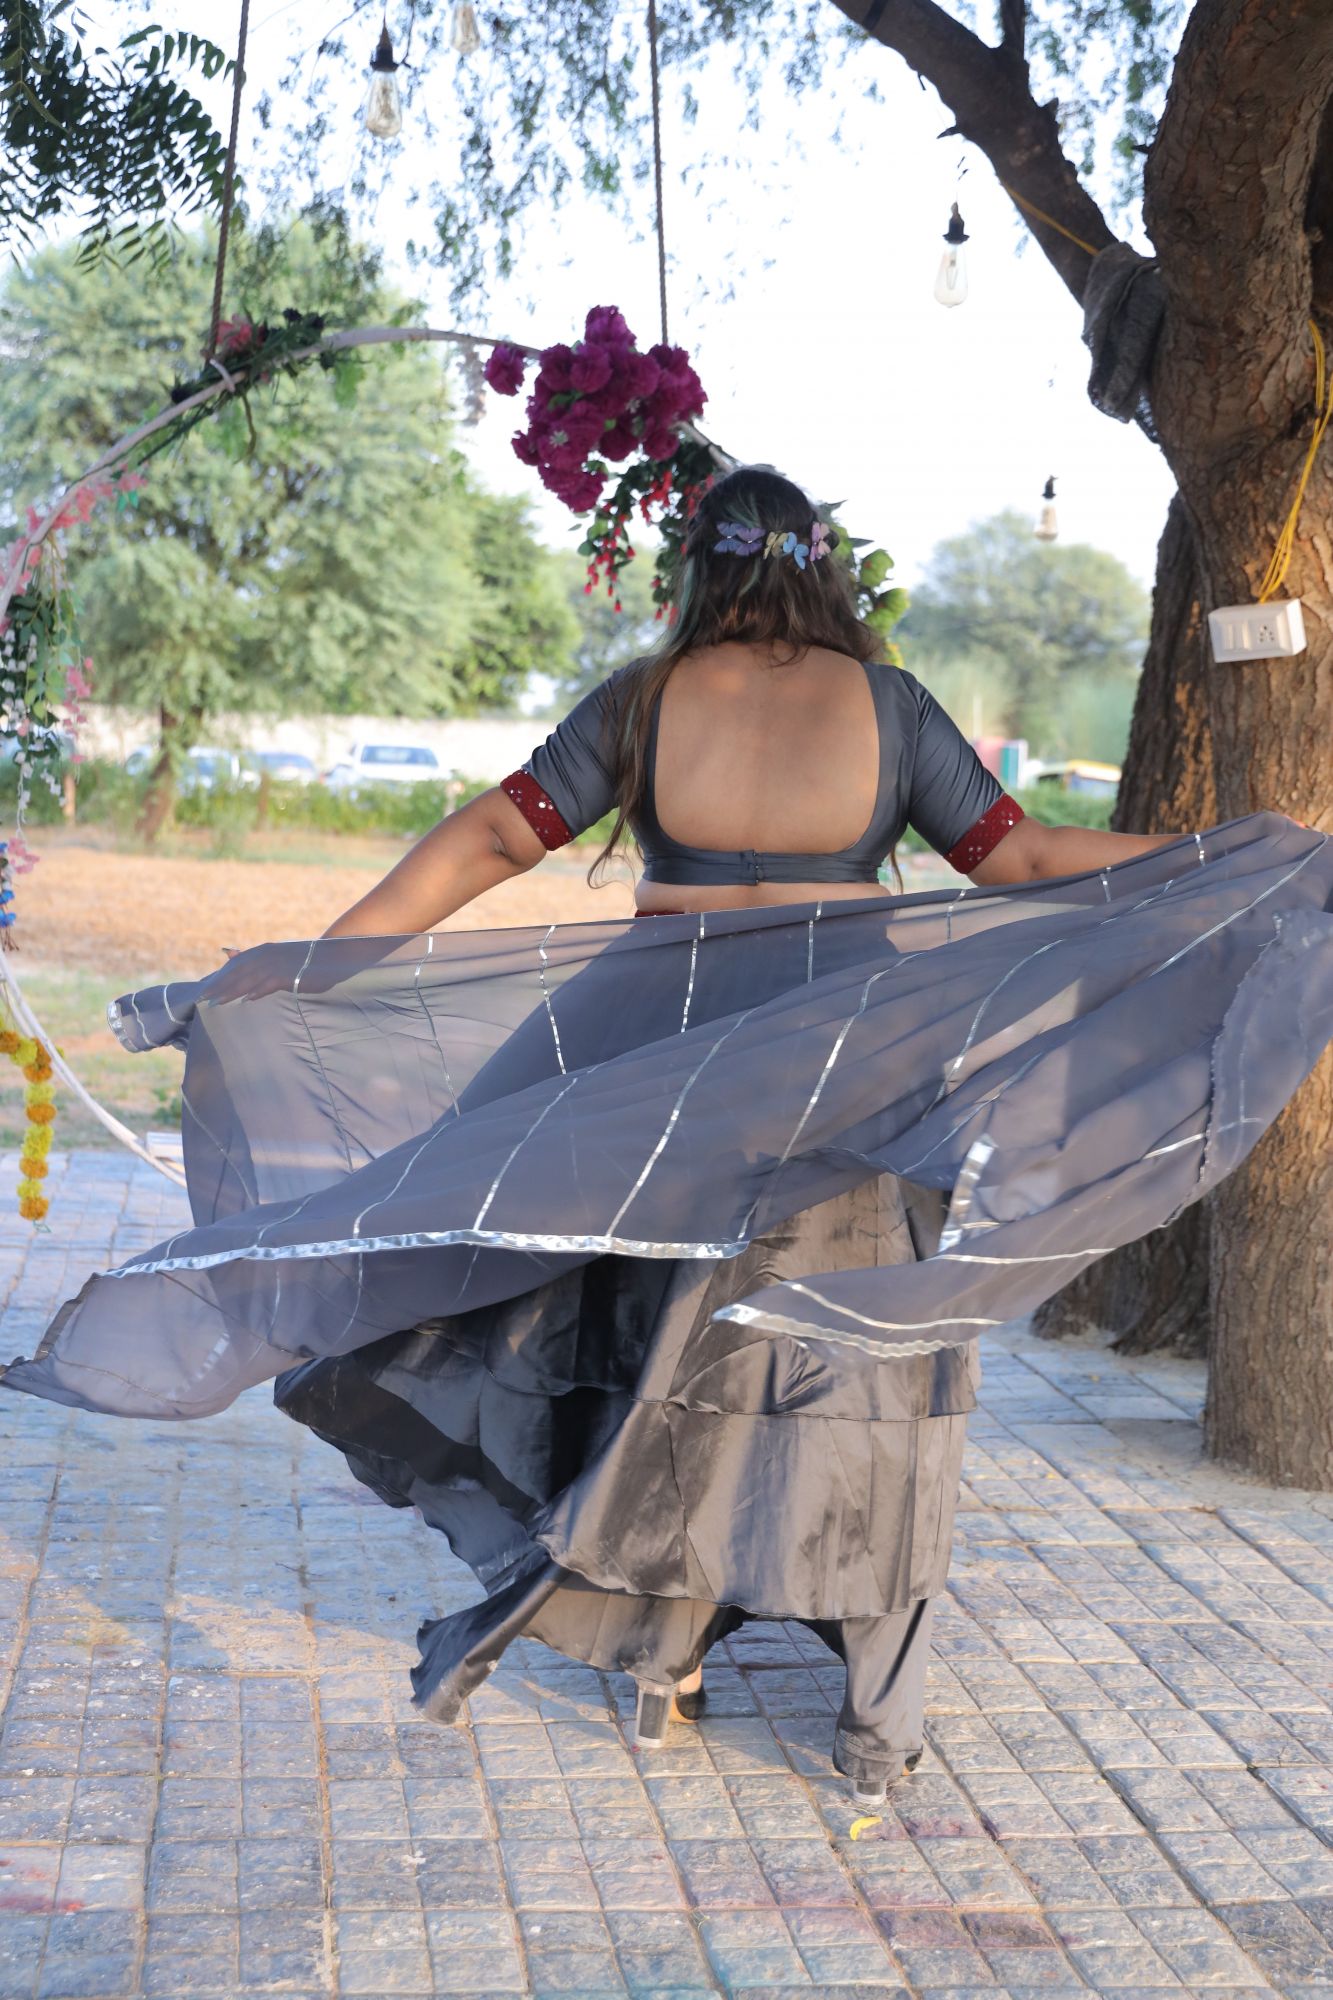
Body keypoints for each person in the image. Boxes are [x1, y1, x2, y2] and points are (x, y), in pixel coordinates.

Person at [6, 466, 1331, 1810]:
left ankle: (661, 1664)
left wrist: (324, 960)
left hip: (645, 1052)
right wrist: (1226, 851)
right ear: (827, 570)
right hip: (842, 1052)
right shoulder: (886, 707)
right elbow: (1023, 861)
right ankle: (874, 1715)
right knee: (840, 1357)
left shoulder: (646, 701)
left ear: (693, 572)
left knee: (609, 1321)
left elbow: (486, 839)